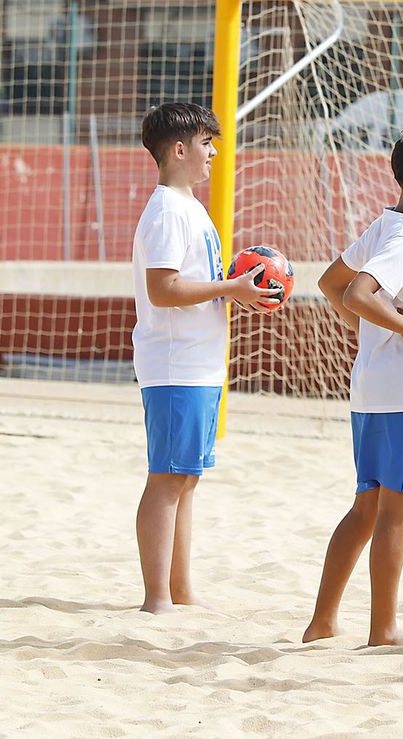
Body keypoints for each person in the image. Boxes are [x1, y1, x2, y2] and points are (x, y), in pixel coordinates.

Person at [302, 128, 403, 651]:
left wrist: (370, 329)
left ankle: (324, 619)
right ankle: (384, 628)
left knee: (367, 506)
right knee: (398, 507)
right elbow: (354, 292)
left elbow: (330, 283)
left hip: (373, 389)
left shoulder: (384, 224)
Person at [132, 102, 276, 614]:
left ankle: (180, 590)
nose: (214, 152)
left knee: (186, 479)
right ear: (178, 149)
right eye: (206, 143)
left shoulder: (189, 207)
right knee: (167, 478)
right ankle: (155, 599)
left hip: (198, 363)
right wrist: (234, 286)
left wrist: (237, 290)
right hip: (175, 364)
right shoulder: (168, 210)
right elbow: (163, 289)